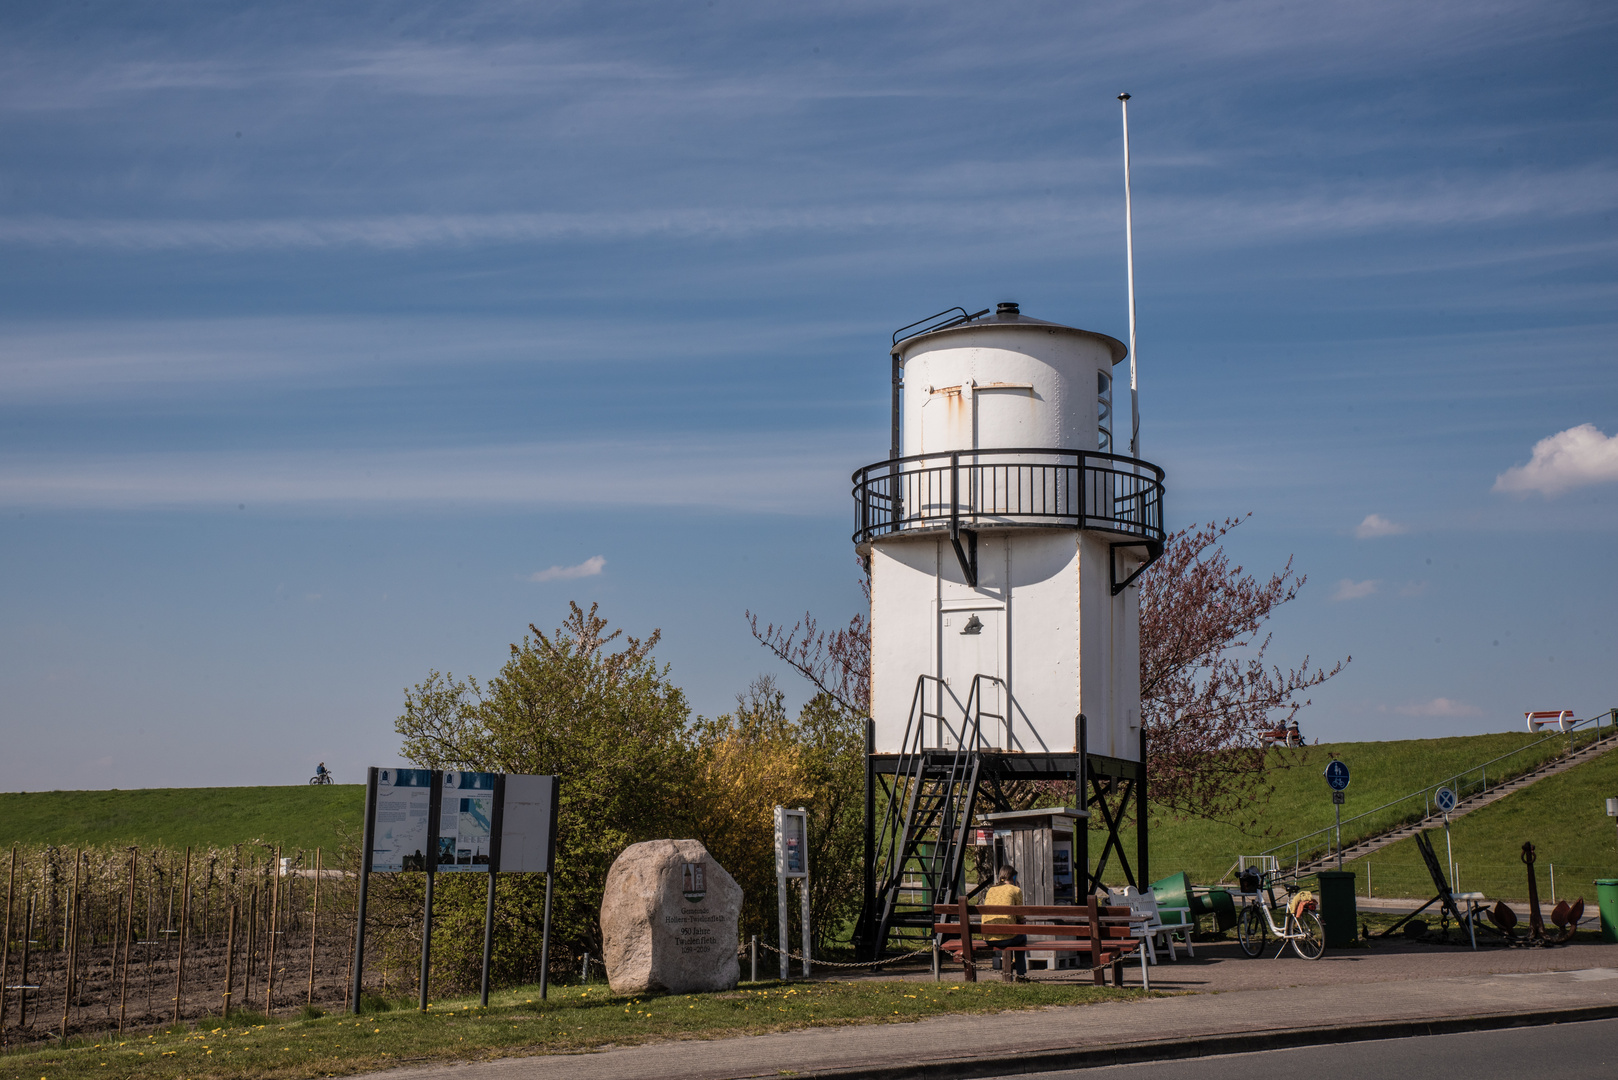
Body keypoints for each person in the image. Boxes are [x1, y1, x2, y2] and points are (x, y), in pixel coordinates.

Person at [982, 864, 1027, 982]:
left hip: (988, 937)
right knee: (1022, 936)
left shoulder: (991, 890)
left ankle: (1016, 973)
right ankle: (1021, 975)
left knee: (1016, 934)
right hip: (1007, 938)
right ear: (1013, 877)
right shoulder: (1015, 890)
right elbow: (1020, 916)